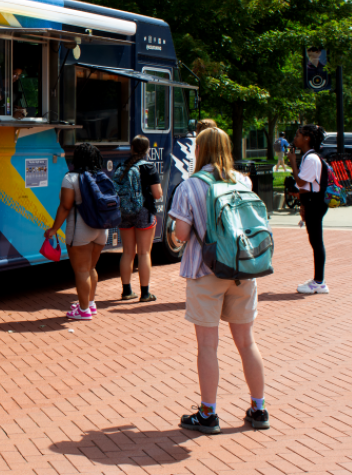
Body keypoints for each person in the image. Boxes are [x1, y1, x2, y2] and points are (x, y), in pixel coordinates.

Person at [169, 127, 269, 434]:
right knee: (246, 342)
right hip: (243, 268)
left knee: (208, 346)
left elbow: (182, 235)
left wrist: (176, 230)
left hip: (205, 270)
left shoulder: (191, 185)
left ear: (199, 150)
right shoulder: (243, 180)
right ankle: (259, 408)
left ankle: (208, 413)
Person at [45, 143, 108, 321]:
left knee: (81, 270)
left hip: (80, 230)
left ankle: (83, 310)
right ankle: (90, 303)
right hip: (101, 230)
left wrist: (54, 229)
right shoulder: (101, 176)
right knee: (91, 268)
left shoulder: (71, 178)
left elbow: (65, 206)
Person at [116, 135, 163, 302]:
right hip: (144, 211)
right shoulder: (148, 167)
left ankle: (126, 291)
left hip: (124, 212)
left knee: (127, 252)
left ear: (132, 148)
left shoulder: (122, 166)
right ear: (147, 150)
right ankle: (145, 293)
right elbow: (157, 194)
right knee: (143, 253)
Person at [286, 124, 329, 294]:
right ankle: (318, 280)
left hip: (316, 203)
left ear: (307, 138)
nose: (295, 138)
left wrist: (292, 162)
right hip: (312, 202)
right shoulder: (309, 157)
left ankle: (319, 282)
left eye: (298, 135)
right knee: (315, 241)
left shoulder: (311, 159)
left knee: (317, 242)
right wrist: (303, 206)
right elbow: (305, 186)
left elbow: (301, 183)